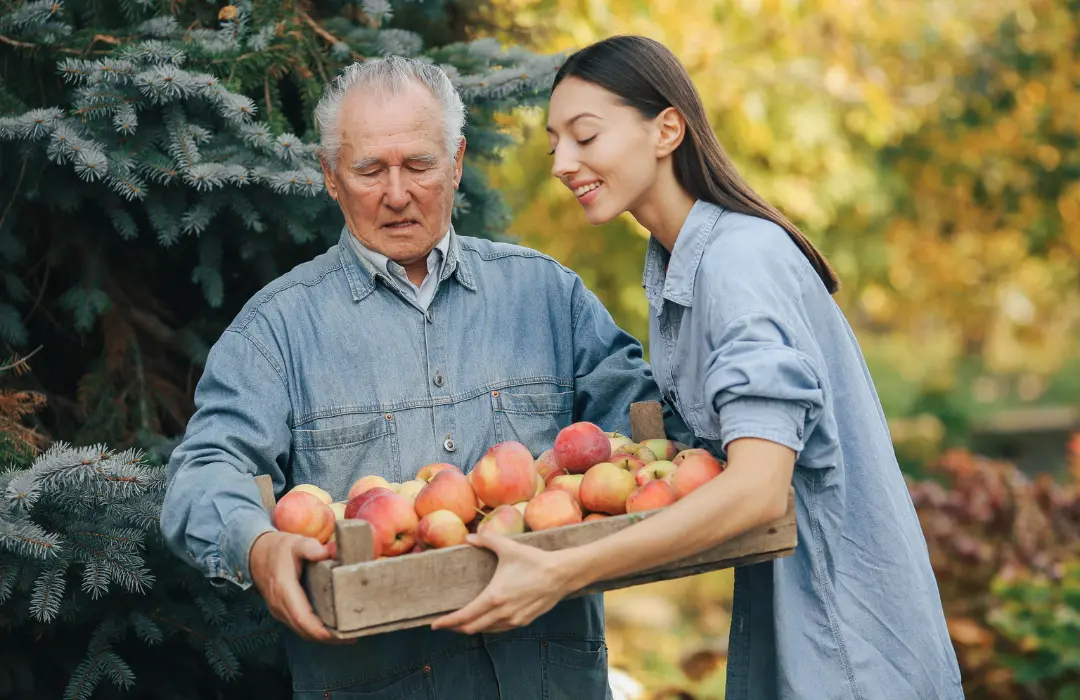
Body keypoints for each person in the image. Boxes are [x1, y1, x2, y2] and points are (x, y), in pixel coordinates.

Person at [431, 35, 965, 700]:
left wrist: (563, 572)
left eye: (585, 136)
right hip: (796, 622)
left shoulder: (738, 264)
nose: (563, 163)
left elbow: (757, 490)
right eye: (553, 145)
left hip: (850, 643)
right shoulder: (678, 263)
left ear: (667, 129)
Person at [160, 55, 691, 699]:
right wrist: (256, 546)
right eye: (368, 170)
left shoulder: (546, 295)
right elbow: (203, 471)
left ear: (457, 161)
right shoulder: (275, 331)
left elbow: (651, 436)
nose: (397, 193)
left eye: (418, 164)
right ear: (330, 175)